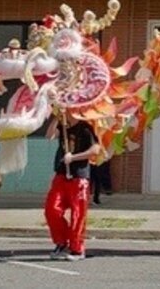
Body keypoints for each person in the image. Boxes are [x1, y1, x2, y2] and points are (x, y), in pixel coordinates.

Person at [45, 111, 101, 261]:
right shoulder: (63, 127)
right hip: (62, 174)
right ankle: (62, 243)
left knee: (77, 215)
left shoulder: (85, 128)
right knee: (52, 209)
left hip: (79, 176)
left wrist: (74, 157)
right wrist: (55, 119)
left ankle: (77, 248)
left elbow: (95, 150)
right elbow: (49, 136)